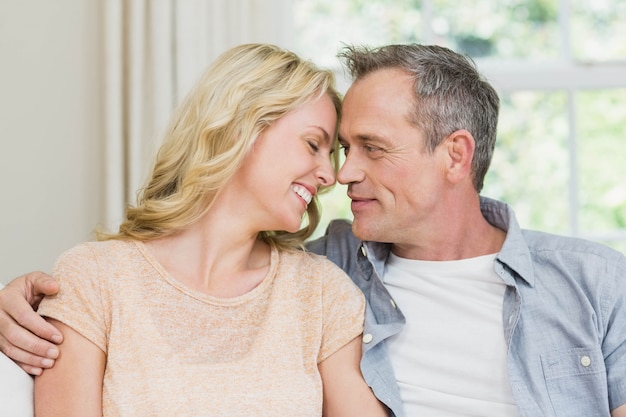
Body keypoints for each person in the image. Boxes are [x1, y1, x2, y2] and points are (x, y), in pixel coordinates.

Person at [1, 43, 625, 417]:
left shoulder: (594, 280)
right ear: (237, 128)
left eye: (368, 148)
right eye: (328, 146)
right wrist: (20, 301)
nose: (338, 175)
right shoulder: (335, 268)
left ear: (456, 156)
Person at [0, 43, 387, 417]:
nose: (330, 175)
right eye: (313, 144)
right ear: (239, 129)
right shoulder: (94, 278)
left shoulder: (322, 293)